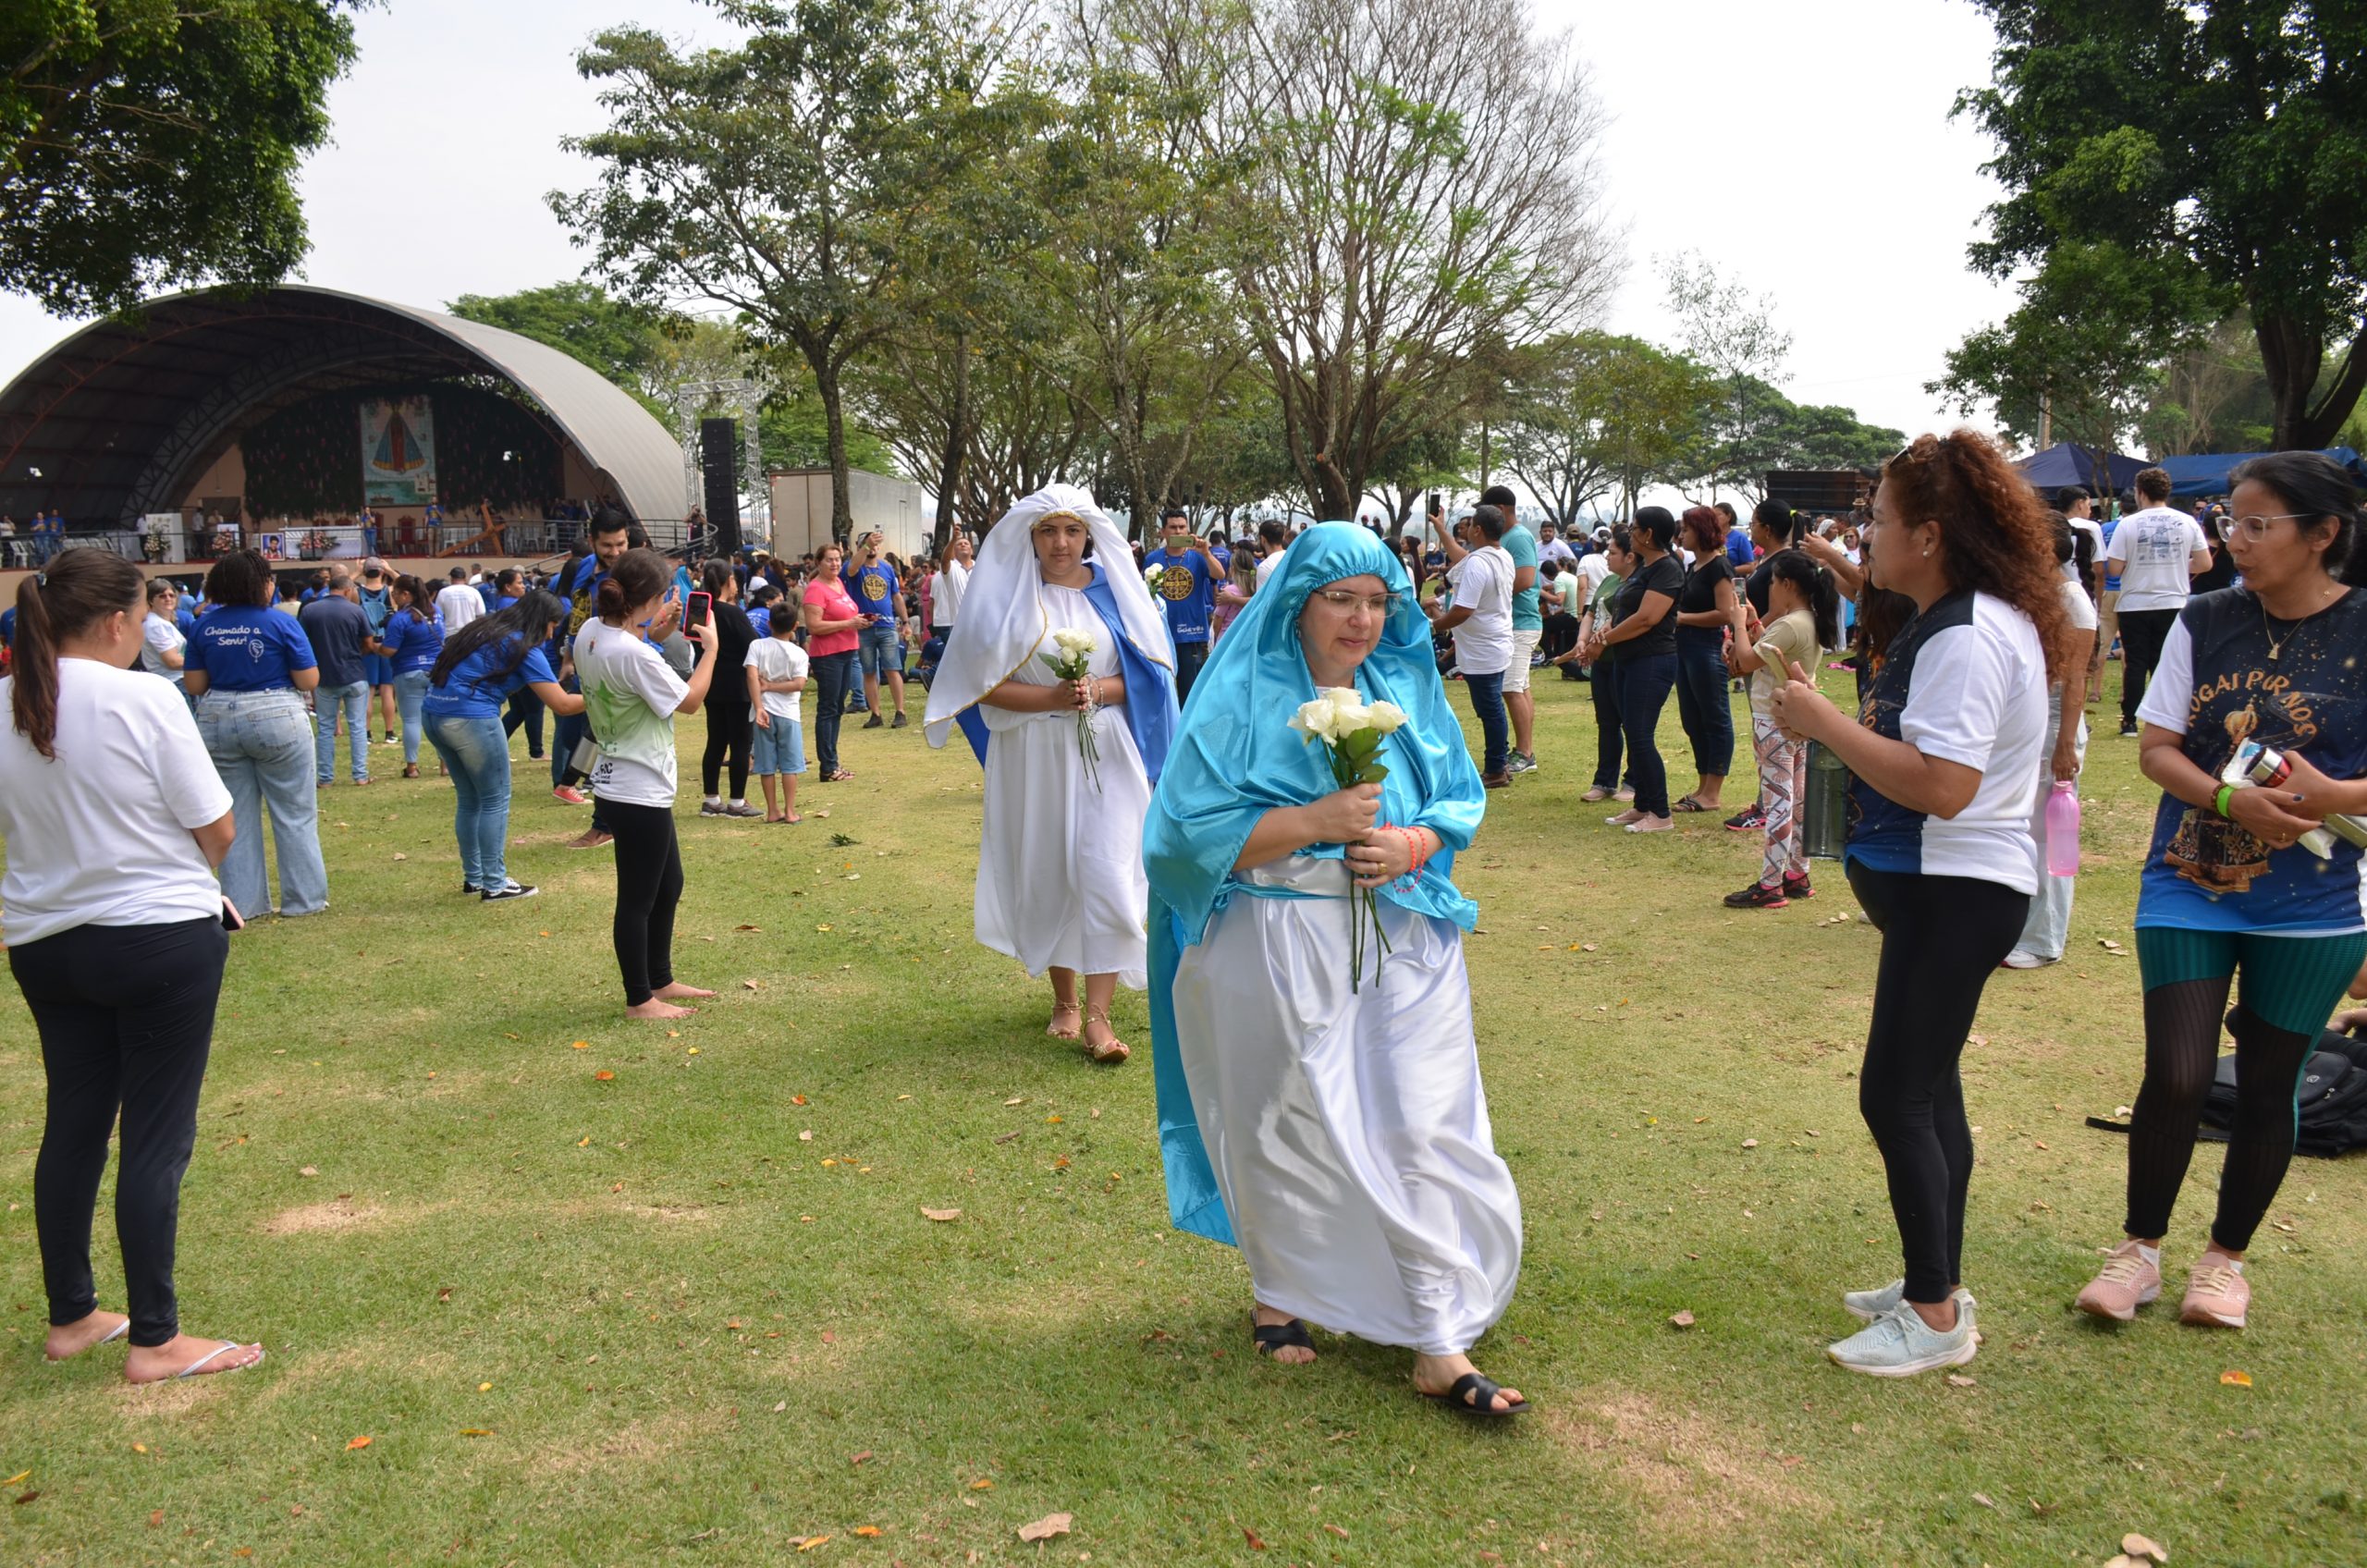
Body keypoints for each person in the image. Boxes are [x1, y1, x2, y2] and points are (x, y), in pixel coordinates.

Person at [1142, 523, 1524, 1415]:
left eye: (1377, 601)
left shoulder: (1404, 681)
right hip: (1277, 943)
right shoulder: (1238, 694)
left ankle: (1437, 1334)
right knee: (1285, 1117)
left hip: (1407, 935)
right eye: (1340, 599)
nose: (1361, 620)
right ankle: (1283, 1290)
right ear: (1298, 603)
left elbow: (1458, 798)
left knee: (1423, 1117)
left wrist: (1413, 840)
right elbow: (1181, 839)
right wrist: (1314, 821)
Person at [1767, 430, 2063, 1377]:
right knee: (1929, 1092)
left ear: (1929, 534)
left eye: (1879, 519)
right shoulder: (1957, 618)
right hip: (1947, 889)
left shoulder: (1970, 633)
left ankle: (1933, 1312)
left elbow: (1944, 785)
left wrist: (1825, 724)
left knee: (1896, 1093)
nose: (1867, 533)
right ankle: (1932, 1282)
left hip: (1957, 886)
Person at [2074, 451, 2367, 1333]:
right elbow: (2157, 745)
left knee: (2273, 1082)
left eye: (2254, 524)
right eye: (2230, 521)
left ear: (2323, 534)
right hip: (2190, 877)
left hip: (2317, 897)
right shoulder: (2205, 619)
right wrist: (2232, 797)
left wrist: (2334, 798)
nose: (2231, 539)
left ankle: (2224, 1263)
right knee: (2179, 1072)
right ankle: (2140, 1253)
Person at [0, 549, 264, 1383]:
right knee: (156, 1136)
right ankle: (156, 1337)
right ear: (119, 621)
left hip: (48, 943)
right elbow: (216, 827)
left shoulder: (9, 702)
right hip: (153, 941)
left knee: (75, 1123)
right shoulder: (143, 696)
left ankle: (73, 1315)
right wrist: (184, 881)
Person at [922, 484, 1179, 1065]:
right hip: (1033, 755)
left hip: (1107, 750)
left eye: (1071, 531)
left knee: (1105, 869)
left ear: (1089, 535)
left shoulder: (1119, 594)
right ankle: (1064, 1000)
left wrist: (1094, 691)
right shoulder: (1004, 598)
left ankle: (1099, 1017)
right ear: (1030, 537)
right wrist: (1053, 699)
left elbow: (1150, 678)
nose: (1061, 543)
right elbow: (979, 684)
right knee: (1051, 870)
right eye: (1048, 531)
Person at [575, 548, 723, 1020]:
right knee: (637, 898)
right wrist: (711, 650)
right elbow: (691, 700)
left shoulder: (591, 632)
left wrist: (654, 628)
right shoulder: (634, 654)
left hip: (622, 782)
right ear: (654, 597)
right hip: (637, 788)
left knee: (668, 883)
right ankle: (639, 998)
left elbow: (631, 647)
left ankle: (661, 979)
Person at [184, 548, 328, 921]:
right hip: (276, 713)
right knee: (294, 812)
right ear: (262, 584)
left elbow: (195, 685)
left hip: (217, 717)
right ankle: (305, 900)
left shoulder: (203, 625)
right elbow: (309, 679)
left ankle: (244, 904)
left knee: (235, 815)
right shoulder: (280, 622)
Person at [422, 590, 585, 900]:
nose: (552, 634)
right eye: (552, 626)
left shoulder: (483, 630)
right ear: (542, 622)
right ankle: (495, 883)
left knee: (470, 799)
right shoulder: (524, 646)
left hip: (434, 713)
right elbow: (562, 705)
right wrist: (603, 699)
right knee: (495, 799)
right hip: (472, 720)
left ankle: (475, 878)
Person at [2003, 517, 2101, 968]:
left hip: (2056, 729)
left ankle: (2044, 939)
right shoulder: (2038, 595)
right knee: (2024, 831)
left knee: (2050, 837)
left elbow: (2075, 678)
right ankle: (2018, 928)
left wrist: (2065, 745)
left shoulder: (2072, 600)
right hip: (2031, 726)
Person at [1723, 550, 1837, 908]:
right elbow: (1769, 656)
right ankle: (1796, 874)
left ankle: (1770, 884)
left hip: (1773, 719)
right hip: (1798, 718)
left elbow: (1744, 661)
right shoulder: (1808, 619)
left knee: (1778, 802)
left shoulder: (1790, 623)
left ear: (1787, 584)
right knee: (1797, 801)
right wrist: (1756, 623)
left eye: (1773, 581)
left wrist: (1738, 623)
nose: (1770, 587)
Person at [1585, 508, 1684, 833]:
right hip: (1628, 660)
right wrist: (1603, 633)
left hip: (1652, 660)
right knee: (1633, 732)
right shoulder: (1644, 569)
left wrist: (1605, 641)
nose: (1631, 532)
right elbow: (1624, 610)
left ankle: (1660, 813)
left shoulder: (1668, 569)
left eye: (1635, 528)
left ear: (1649, 534)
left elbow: (1647, 618)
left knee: (1641, 736)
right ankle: (1642, 805)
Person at [2108, 467, 2212, 738]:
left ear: (2140, 493)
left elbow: (2115, 569)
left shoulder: (2127, 524)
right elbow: (2204, 562)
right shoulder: (2187, 521)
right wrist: (2177, 564)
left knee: (2136, 664)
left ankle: (2129, 720)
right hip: (2173, 601)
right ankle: (2168, 720)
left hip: (2135, 603)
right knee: (2166, 663)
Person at [552, 509, 633, 835]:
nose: (615, 552)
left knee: (610, 741)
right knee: (588, 736)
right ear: (592, 542)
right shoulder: (582, 571)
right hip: (589, 665)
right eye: (607, 545)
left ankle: (603, 821)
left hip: (625, 666)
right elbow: (575, 617)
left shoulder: (635, 570)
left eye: (621, 544)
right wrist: (569, 659)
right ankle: (597, 814)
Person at [1429, 507, 1515, 787]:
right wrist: (1441, 528)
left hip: (1483, 649)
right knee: (1492, 707)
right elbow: (1463, 558)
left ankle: (1495, 768)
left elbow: (1464, 610)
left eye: (1469, 525)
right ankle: (1499, 762)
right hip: (1496, 643)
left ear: (1478, 530)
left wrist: (1435, 625)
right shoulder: (1500, 556)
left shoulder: (1480, 562)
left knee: (1489, 709)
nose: (1464, 530)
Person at [1671, 506, 1737, 814]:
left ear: (1701, 530)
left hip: (1706, 649)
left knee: (1714, 718)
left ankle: (1713, 792)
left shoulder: (1718, 566)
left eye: (1686, 529)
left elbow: (1725, 614)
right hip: (1686, 650)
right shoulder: (1693, 566)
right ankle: (1702, 786)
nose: (1681, 534)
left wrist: (1683, 617)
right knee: (1692, 719)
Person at [1478, 487, 1542, 773]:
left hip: (1520, 622)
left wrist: (1490, 593)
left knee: (1511, 689)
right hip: (1514, 623)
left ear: (1502, 508)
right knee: (1520, 687)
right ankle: (1525, 750)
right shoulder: (1505, 538)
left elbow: (1527, 579)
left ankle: (1524, 754)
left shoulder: (1518, 537)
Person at [694, 559, 760, 817]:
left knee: (716, 741)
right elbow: (753, 645)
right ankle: (736, 802)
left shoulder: (702, 611)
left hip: (710, 682)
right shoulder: (733, 612)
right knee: (741, 744)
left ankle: (711, 799)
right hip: (737, 685)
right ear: (727, 581)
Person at [298, 570, 373, 789]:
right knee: (357, 727)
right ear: (348, 590)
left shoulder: (310, 610)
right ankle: (360, 775)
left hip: (324, 676)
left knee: (325, 728)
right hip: (354, 674)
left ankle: (325, 778)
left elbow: (301, 642)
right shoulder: (356, 611)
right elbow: (368, 642)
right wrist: (358, 654)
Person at [802, 542, 865, 781]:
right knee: (828, 709)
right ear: (819, 563)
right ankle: (828, 767)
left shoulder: (837, 583)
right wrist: (848, 624)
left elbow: (844, 613)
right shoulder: (815, 589)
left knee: (837, 708)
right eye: (829, 559)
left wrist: (858, 620)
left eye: (838, 558)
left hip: (847, 650)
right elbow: (814, 626)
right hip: (828, 655)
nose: (835, 563)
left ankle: (833, 762)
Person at [1147, 506, 1223, 704]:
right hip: (1160, 636)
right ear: (1163, 531)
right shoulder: (1152, 559)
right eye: (1173, 527)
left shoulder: (1197, 557)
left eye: (1182, 527)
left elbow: (1220, 575)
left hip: (1191, 635)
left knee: (1189, 696)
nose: (1178, 531)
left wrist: (1206, 554)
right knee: (1162, 695)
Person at [745, 599, 811, 824]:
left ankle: (773, 810)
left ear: (770, 623)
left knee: (766, 765)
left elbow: (752, 676)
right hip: (788, 713)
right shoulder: (799, 653)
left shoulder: (757, 646)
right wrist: (774, 687)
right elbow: (799, 684)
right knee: (790, 766)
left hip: (763, 713)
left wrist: (760, 704)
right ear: (796, 626)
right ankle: (790, 810)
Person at [372, 575, 444, 779]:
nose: (393, 598)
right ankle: (445, 763)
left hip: (408, 671)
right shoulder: (435, 612)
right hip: (436, 670)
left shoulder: (401, 619)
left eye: (394, 594)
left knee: (411, 720)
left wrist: (375, 647)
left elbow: (389, 650)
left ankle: (412, 766)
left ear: (405, 594)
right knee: (438, 719)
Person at [843, 531, 909, 728]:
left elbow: (896, 596)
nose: (871, 547)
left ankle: (900, 712)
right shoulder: (853, 566)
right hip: (863, 627)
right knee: (869, 671)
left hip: (887, 625)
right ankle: (876, 713)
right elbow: (852, 570)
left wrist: (905, 622)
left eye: (874, 544)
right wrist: (866, 546)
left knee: (893, 669)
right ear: (859, 546)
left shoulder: (887, 569)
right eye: (866, 543)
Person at [357, 559, 398, 744]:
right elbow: (409, 584)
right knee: (387, 689)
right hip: (387, 643)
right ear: (381, 572)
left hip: (366, 644)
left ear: (365, 572)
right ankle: (389, 732)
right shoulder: (389, 591)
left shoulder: (356, 593)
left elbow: (339, 587)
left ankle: (366, 733)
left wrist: (355, 572)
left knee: (369, 691)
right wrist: (390, 570)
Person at [139, 578, 186, 684]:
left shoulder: (162, 622)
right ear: (151, 600)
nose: (168, 599)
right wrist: (203, 660)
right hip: (172, 681)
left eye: (171, 595)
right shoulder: (156, 625)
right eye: (162, 596)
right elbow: (172, 662)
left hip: (179, 679)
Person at [929, 533, 972, 648]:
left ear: (971, 550)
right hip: (958, 625)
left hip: (979, 623)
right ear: (954, 551)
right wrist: (953, 539)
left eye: (966, 543)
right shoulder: (951, 568)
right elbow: (945, 561)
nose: (963, 545)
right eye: (959, 544)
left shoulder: (980, 568)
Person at [435, 566, 484, 636]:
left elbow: (439, 613)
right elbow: (481, 613)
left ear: (451, 578)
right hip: (469, 633)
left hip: (450, 634)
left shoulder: (443, 592)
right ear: (465, 578)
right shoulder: (474, 592)